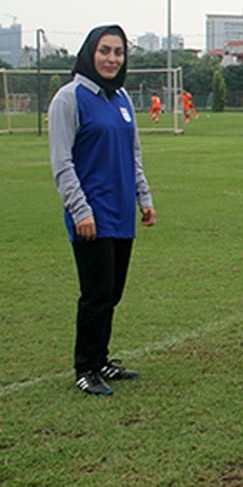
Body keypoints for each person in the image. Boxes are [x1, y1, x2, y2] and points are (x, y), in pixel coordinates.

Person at [49, 25, 156, 396]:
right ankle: (85, 367)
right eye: (105, 51)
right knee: (95, 293)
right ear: (90, 52)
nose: (112, 59)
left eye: (119, 52)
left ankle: (102, 359)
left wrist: (144, 199)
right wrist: (80, 210)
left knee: (112, 292)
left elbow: (133, 154)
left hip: (121, 212)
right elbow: (62, 163)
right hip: (90, 216)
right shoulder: (70, 98)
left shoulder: (122, 97)